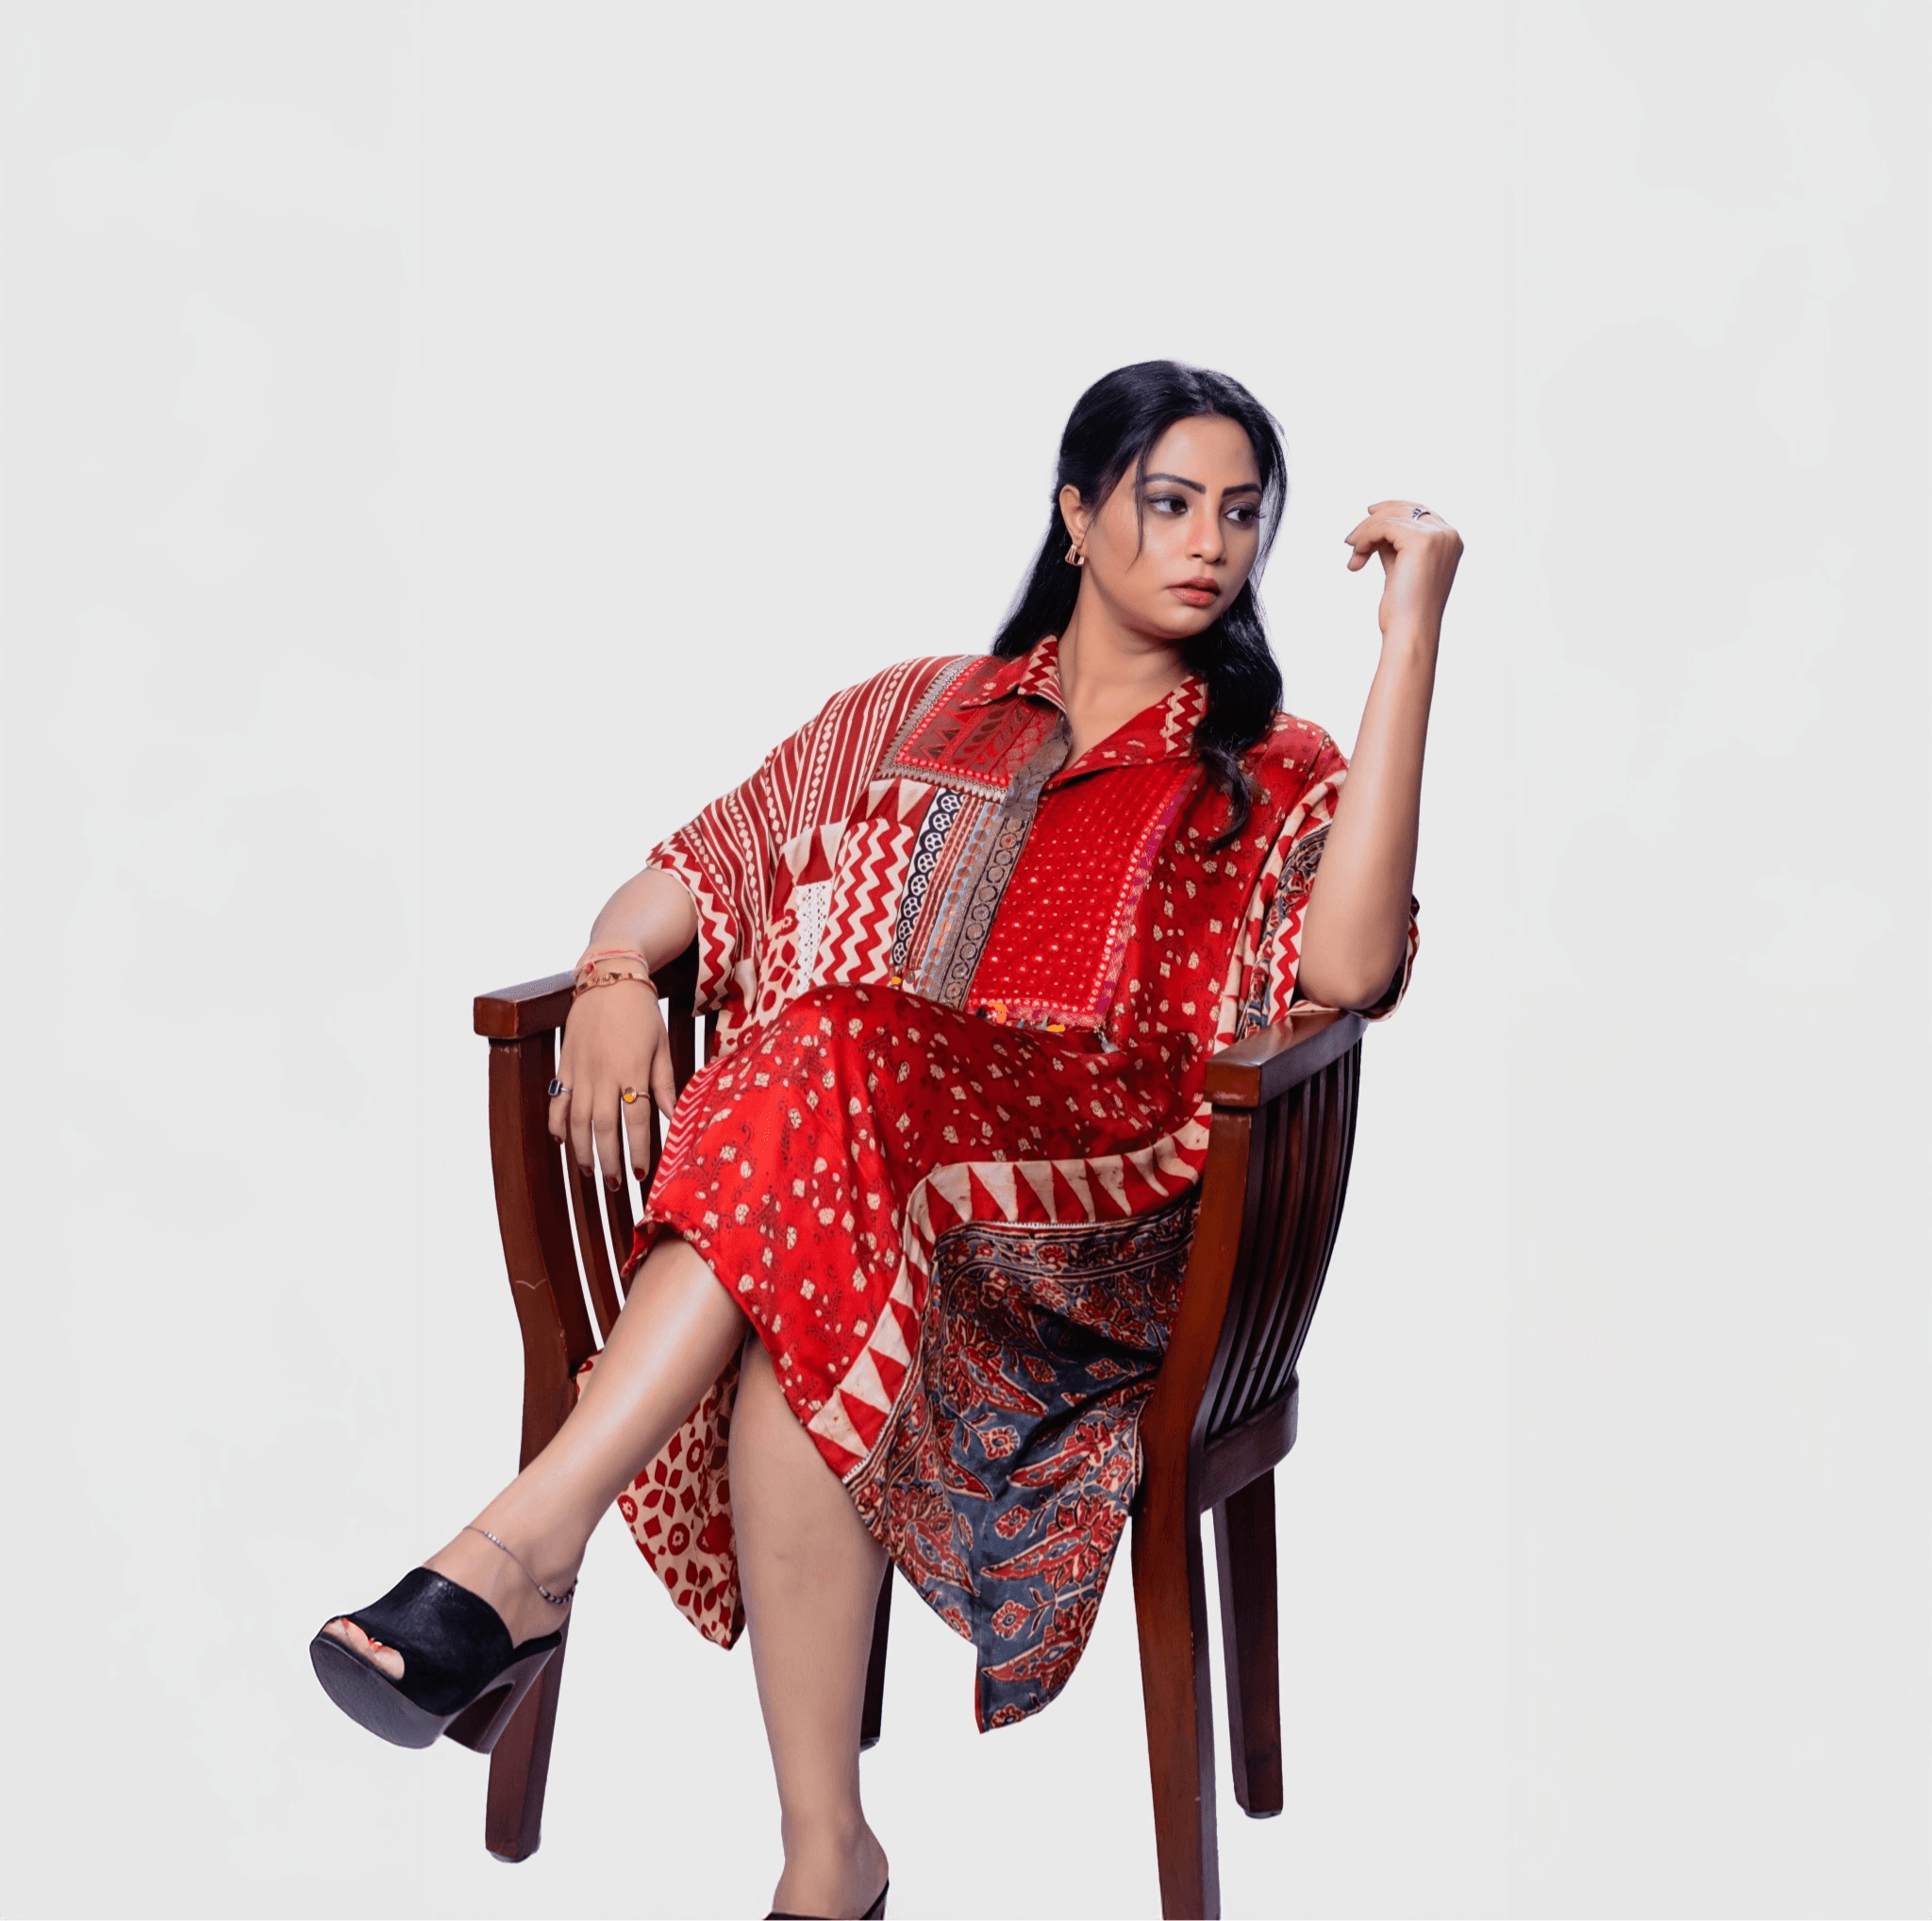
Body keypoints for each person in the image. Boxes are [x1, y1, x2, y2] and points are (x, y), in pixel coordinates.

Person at [309, 359, 1459, 1920]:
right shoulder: (919, 708)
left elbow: (1346, 973)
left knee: (837, 1043)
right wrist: (607, 977)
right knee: (808, 1280)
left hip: (1101, 1255)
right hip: (851, 1207)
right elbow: (702, 861)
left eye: (1242, 516)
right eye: (1169, 503)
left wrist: (1412, 639)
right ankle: (825, 1858)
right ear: (1075, 513)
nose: (1209, 546)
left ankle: (523, 1554)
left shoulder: (1271, 762)